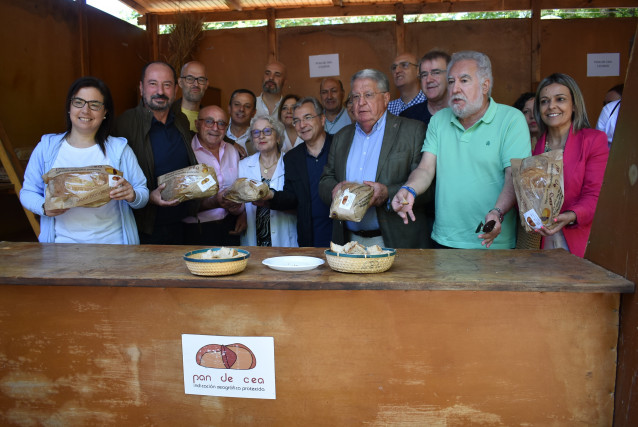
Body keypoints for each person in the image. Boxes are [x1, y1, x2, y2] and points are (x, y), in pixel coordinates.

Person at [392, 51, 531, 249]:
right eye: (450, 82)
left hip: (492, 242)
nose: (455, 89)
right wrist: (409, 189)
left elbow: (514, 176)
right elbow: (426, 168)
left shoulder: (511, 119)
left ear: (485, 85)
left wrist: (497, 212)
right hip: (444, 240)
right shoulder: (439, 120)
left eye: (464, 80)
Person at [20, 76, 148, 244]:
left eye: (94, 105)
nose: (85, 111)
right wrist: (44, 208)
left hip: (114, 249)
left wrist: (132, 195)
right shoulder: (47, 147)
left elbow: (142, 193)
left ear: (105, 112)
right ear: (69, 107)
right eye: (78, 102)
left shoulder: (119, 149)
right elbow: (28, 191)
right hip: (60, 249)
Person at [319, 68, 431, 249]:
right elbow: (325, 180)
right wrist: (334, 189)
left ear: (386, 98)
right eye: (355, 97)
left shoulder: (412, 131)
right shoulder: (341, 137)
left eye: (368, 95)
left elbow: (429, 190)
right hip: (349, 242)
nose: (361, 103)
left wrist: (387, 193)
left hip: (395, 242)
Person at [113, 61, 197, 245]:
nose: (160, 91)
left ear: (175, 89)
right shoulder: (124, 124)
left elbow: (199, 138)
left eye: (166, 84)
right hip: (145, 226)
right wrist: (148, 197)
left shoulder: (180, 120)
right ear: (141, 88)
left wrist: (232, 142)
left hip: (183, 222)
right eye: (153, 84)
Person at [532, 73, 609, 257]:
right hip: (539, 240)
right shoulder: (534, 145)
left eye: (560, 99)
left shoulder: (593, 140)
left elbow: (595, 194)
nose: (551, 106)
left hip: (578, 237)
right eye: (544, 101)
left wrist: (571, 215)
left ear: (574, 105)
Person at [259, 97, 333, 247]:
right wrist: (270, 195)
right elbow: (291, 198)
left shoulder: (340, 146)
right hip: (309, 238)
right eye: (296, 121)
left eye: (308, 118)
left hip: (342, 235)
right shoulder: (293, 157)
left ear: (322, 119)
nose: (302, 125)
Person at [183, 105, 245, 246]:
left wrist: (242, 213)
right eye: (209, 121)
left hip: (230, 227)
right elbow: (181, 201)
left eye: (221, 123)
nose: (215, 128)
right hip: (197, 230)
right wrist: (215, 202)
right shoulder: (186, 152)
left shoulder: (232, 150)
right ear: (197, 124)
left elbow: (241, 187)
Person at [238, 115, 298, 247]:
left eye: (267, 131)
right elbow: (239, 203)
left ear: (278, 137)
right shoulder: (242, 166)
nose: (261, 136)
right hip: (253, 239)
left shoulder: (292, 163)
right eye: (256, 132)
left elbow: (299, 203)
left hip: (285, 240)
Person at [400, 50, 451, 129]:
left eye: (436, 72)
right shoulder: (407, 118)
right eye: (424, 75)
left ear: (450, 76)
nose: (428, 80)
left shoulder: (463, 115)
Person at [173, 61, 208, 132]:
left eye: (201, 79)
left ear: (206, 84)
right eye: (189, 79)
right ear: (180, 82)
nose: (196, 84)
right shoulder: (167, 114)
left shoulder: (211, 118)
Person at [226, 88, 256, 157]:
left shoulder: (259, 138)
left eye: (247, 106)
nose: (241, 109)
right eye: (237, 104)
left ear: (254, 112)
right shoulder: (218, 135)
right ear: (229, 108)